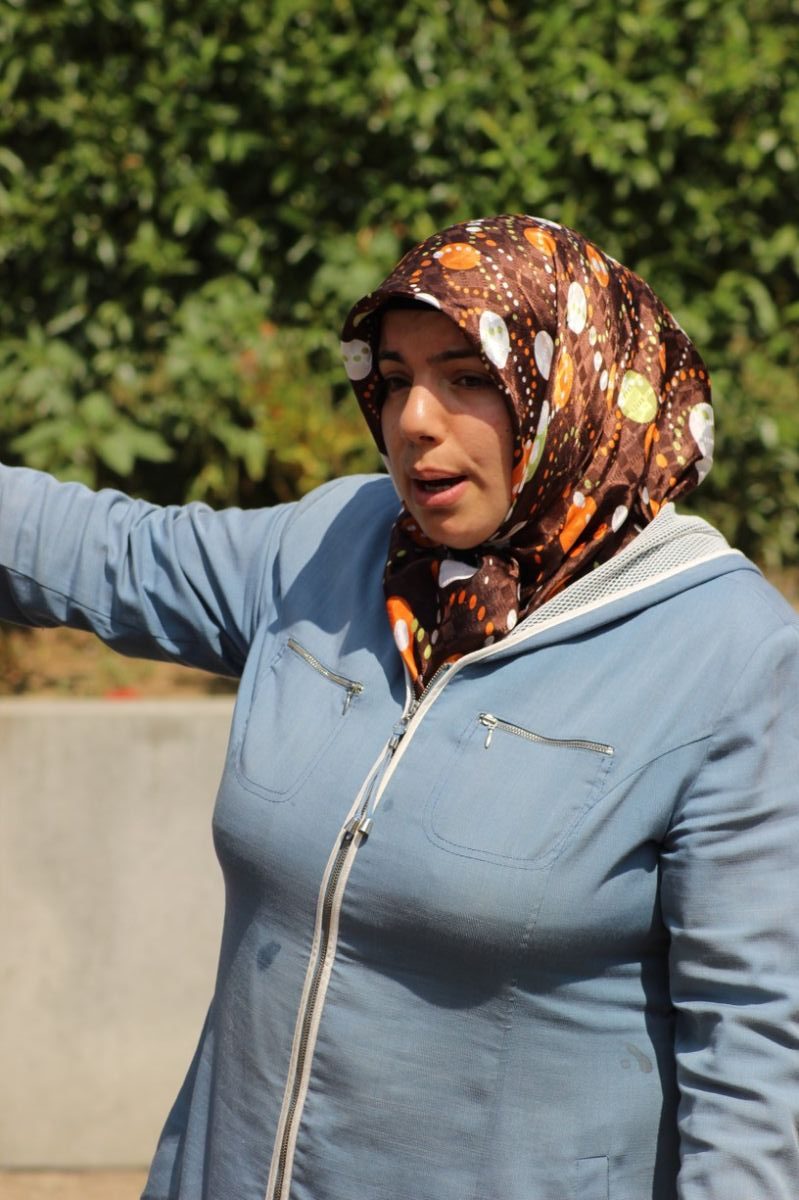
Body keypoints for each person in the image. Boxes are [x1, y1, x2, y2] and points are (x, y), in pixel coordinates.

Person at [1, 214, 797, 1200]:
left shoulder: (728, 655)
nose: (413, 418)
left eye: (468, 377)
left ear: (575, 389)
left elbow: (756, 1057)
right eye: (393, 377)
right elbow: (104, 553)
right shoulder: (333, 543)